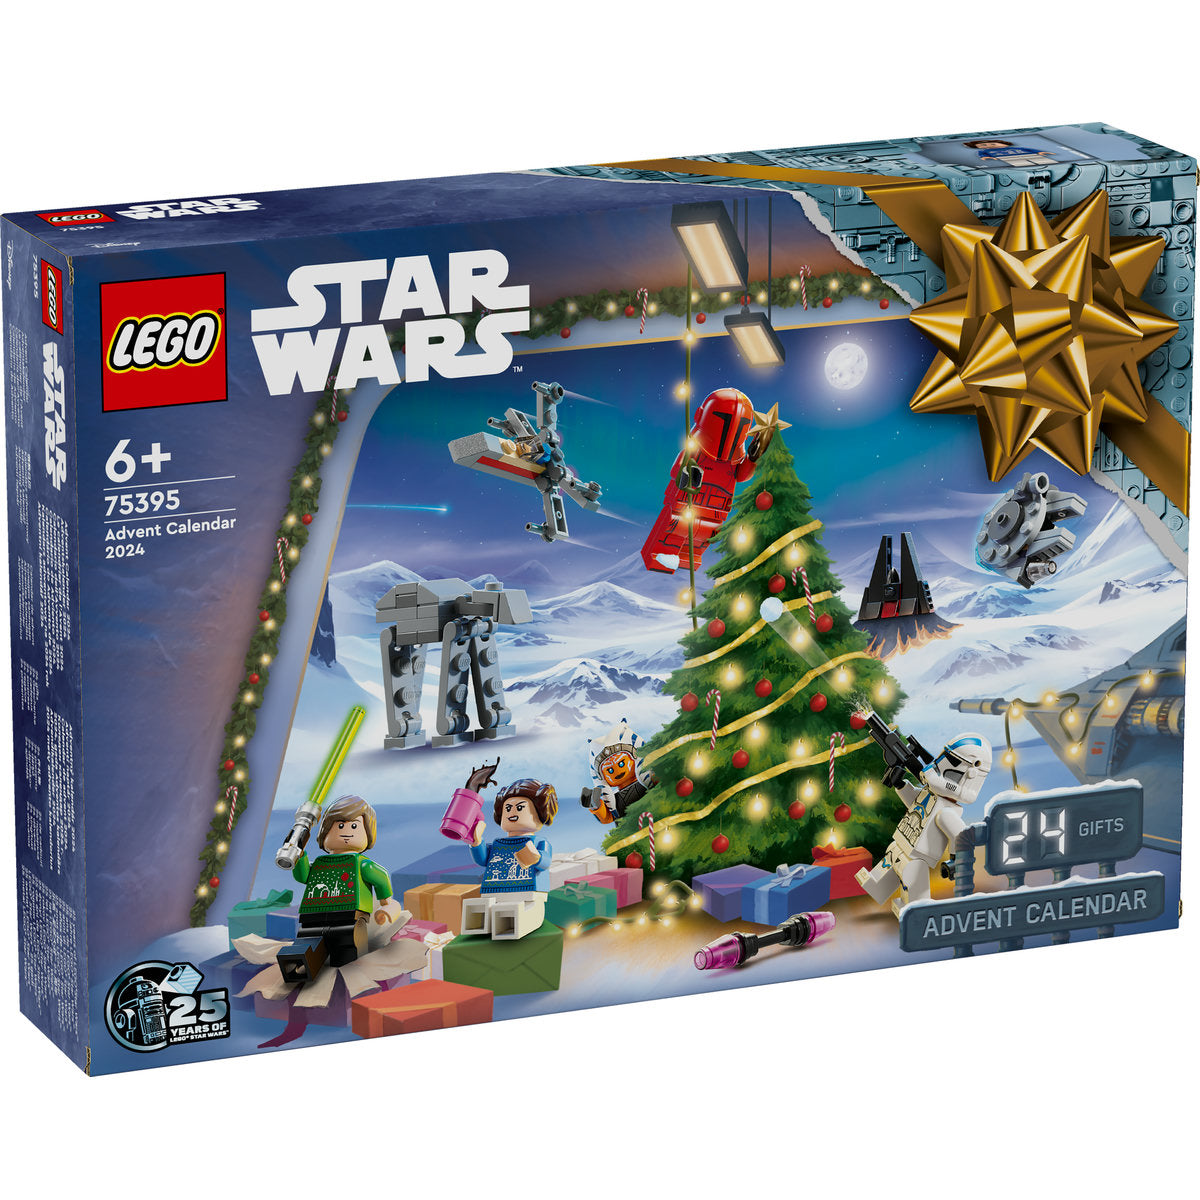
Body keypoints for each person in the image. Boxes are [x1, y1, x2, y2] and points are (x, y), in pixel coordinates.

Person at [856, 734, 992, 917]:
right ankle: (877, 885)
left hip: (919, 857)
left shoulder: (948, 811)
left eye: (951, 760)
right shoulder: (932, 794)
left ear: (971, 771)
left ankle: (915, 910)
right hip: (905, 840)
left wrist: (956, 860)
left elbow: (960, 835)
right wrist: (900, 785)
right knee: (893, 855)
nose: (940, 764)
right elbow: (916, 805)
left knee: (912, 873)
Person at [276, 794, 400, 983]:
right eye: (340, 826)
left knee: (347, 953)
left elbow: (384, 887)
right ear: (325, 832)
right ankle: (300, 973)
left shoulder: (363, 865)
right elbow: (303, 877)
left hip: (350, 918)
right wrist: (299, 855)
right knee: (304, 953)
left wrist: (388, 907)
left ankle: (348, 981)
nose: (346, 832)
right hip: (312, 919)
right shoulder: (319, 864)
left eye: (354, 826)